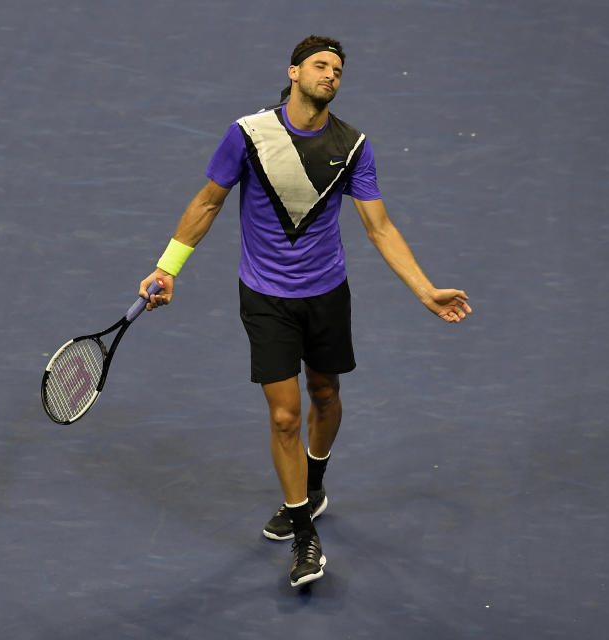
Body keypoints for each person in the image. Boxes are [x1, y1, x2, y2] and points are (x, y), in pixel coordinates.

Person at [137, 35, 471, 588]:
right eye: (320, 65)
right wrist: (168, 267)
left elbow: (379, 227)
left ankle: (313, 488)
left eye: (338, 69)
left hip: (326, 294)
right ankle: (303, 535)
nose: (330, 75)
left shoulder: (354, 145)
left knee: (325, 395)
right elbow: (208, 202)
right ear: (293, 72)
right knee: (285, 416)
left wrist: (425, 290)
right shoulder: (248, 135)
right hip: (266, 299)